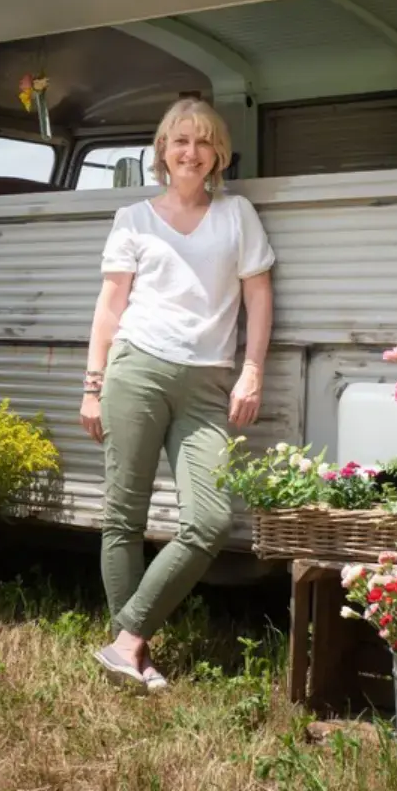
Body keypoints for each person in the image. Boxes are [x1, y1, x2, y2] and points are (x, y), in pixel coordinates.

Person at [80, 96, 275, 692]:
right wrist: (93, 384)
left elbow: (258, 298)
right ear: (162, 150)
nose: (191, 152)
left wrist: (253, 370)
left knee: (211, 519)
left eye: (203, 141)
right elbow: (111, 306)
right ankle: (134, 655)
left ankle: (125, 638)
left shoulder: (237, 214)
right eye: (179, 141)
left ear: (219, 153)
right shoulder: (133, 219)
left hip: (208, 381)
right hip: (135, 368)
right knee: (124, 515)